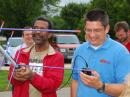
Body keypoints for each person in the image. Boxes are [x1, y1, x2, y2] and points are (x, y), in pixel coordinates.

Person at [71, 8, 130, 97]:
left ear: (107, 28)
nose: (92, 35)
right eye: (88, 30)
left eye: (97, 30)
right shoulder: (79, 50)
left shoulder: (121, 52)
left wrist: (100, 85)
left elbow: (126, 89)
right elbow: (75, 80)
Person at [8, 17, 64, 97]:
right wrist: (16, 76)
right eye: (35, 28)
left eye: (42, 29)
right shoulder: (20, 53)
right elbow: (12, 80)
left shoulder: (57, 57)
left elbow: (52, 86)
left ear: (49, 34)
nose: (37, 32)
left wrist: (32, 76)